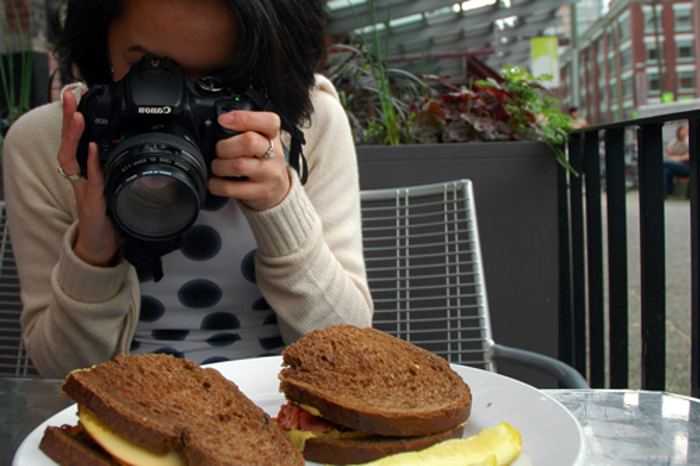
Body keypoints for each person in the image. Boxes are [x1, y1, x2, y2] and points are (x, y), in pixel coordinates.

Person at [2, 0, 373, 378]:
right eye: (148, 68)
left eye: (219, 81)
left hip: (279, 400)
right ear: (100, 40)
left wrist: (280, 208)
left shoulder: (309, 126)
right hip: (121, 409)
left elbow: (348, 354)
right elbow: (62, 371)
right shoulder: (50, 143)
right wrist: (92, 255)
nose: (174, 102)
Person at [663, 124, 690, 196]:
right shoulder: (674, 142)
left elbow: (689, 156)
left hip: (686, 166)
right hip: (675, 165)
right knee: (665, 171)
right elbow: (667, 154)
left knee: (664, 163)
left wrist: (677, 159)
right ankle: (666, 192)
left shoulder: (688, 142)